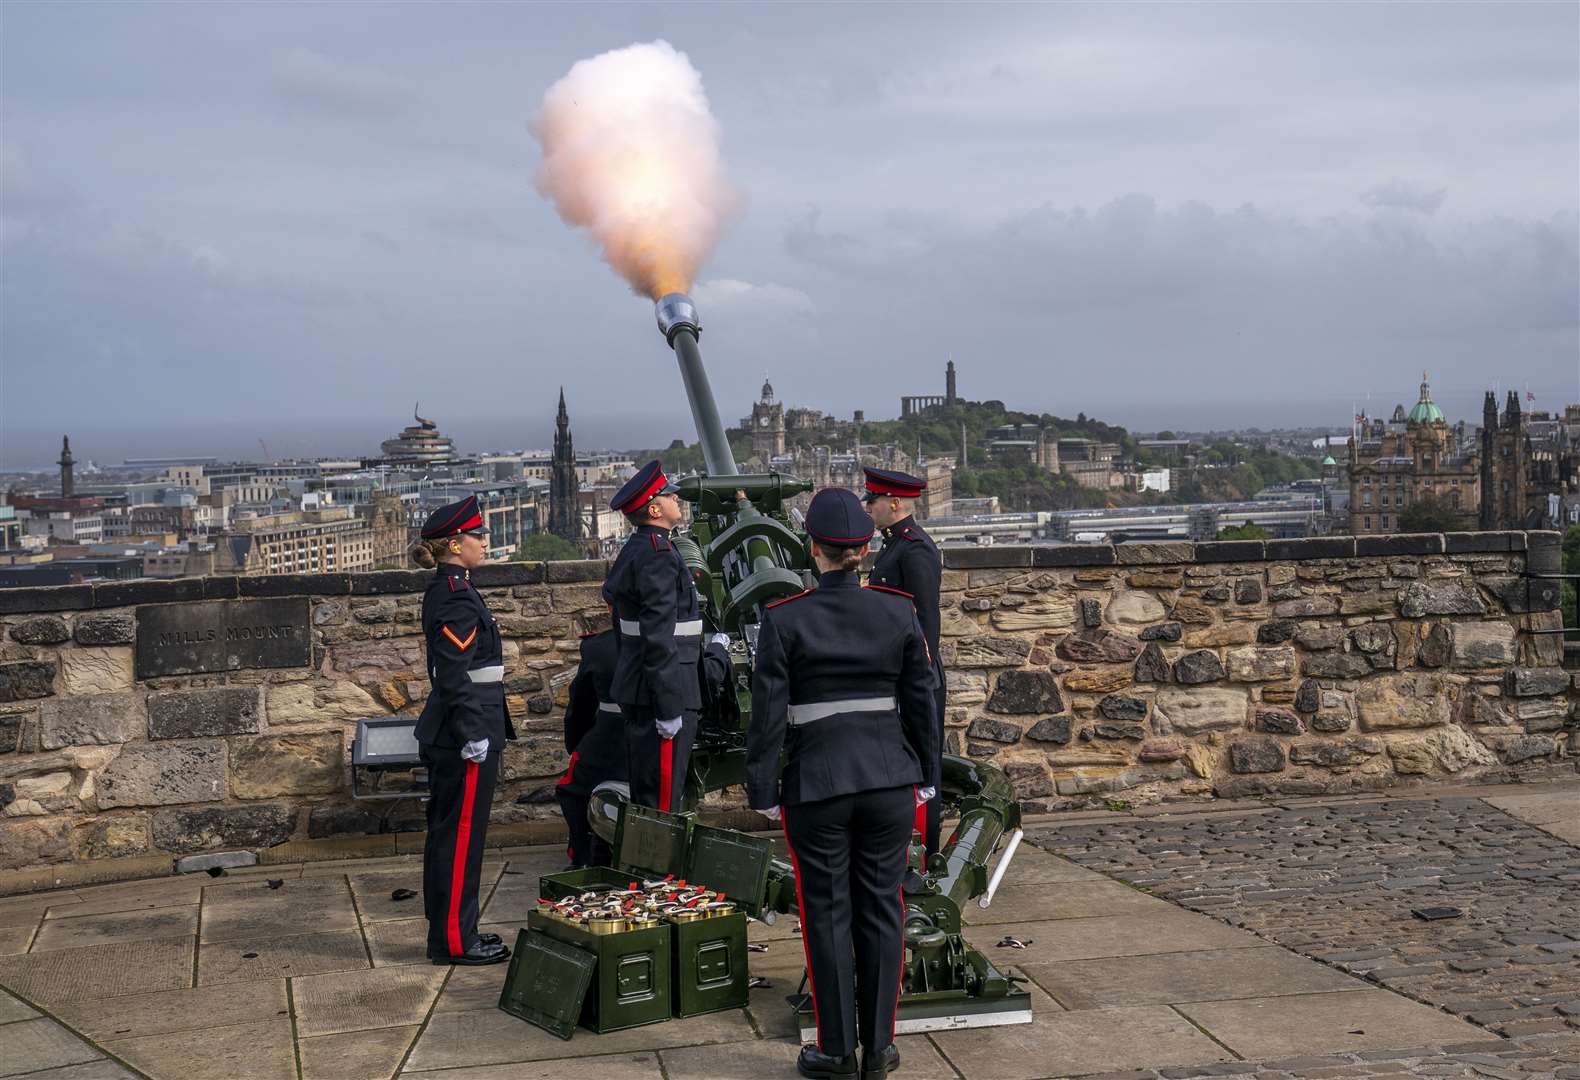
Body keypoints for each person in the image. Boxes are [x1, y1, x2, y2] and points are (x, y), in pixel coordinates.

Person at [747, 487, 938, 1080]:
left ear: (815, 549)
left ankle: (835, 1049)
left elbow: (767, 715)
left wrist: (764, 792)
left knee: (827, 912)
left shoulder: (784, 619)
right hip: (889, 779)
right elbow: (922, 699)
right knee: (884, 909)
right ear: (862, 548)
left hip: (818, 783)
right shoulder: (898, 609)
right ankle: (880, 1047)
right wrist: (927, 774)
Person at [411, 495, 514, 966]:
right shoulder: (454, 594)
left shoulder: (453, 587)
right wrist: (474, 732)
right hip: (464, 730)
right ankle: (455, 940)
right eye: (476, 535)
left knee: (452, 835)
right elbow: (453, 673)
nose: (482, 542)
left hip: (461, 725)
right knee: (460, 838)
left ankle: (456, 931)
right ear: (455, 543)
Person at [602, 460, 704, 813]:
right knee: (660, 804)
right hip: (663, 690)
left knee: (657, 795)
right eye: (669, 495)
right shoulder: (657, 556)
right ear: (655, 508)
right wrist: (668, 706)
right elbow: (658, 635)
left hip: (644, 686)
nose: (678, 498)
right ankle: (662, 871)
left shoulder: (644, 548)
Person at [862, 467, 946, 859]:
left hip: (914, 677)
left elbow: (926, 623)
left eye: (873, 500)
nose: (868, 507)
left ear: (894, 503)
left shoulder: (915, 549)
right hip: (894, 674)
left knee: (922, 768)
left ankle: (924, 853)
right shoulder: (894, 545)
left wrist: (919, 681)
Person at [555, 623, 627, 868]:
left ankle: (583, 858)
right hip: (661, 743)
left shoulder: (599, 646)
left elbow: (580, 709)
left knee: (572, 790)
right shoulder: (673, 637)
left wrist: (576, 746)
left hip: (610, 745)